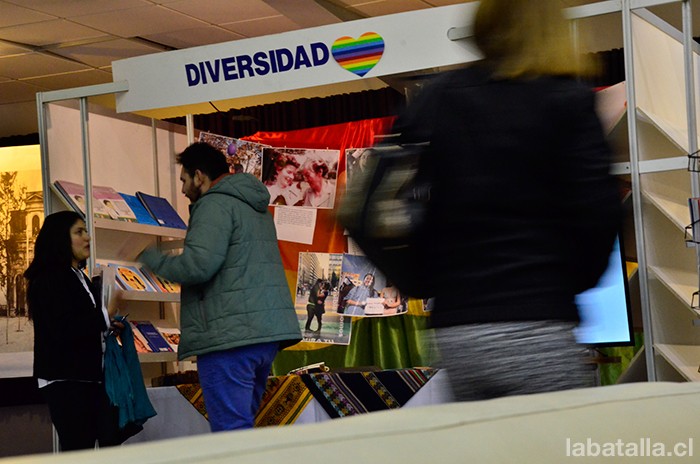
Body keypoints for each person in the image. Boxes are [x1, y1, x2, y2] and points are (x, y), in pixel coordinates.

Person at [394, 0, 621, 401]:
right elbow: (597, 213)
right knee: (559, 436)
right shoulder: (567, 99)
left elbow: (384, 201)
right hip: (539, 318)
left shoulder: (437, 97)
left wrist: (420, 278)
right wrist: (570, 281)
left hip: (457, 329)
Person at [138, 142, 301, 432]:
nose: (183, 189)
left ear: (199, 176)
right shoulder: (253, 205)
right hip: (263, 335)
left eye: (184, 180)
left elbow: (198, 265)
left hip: (229, 337)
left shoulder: (214, 204)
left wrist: (152, 259)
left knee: (230, 432)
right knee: (241, 428)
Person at [24, 211, 126, 451]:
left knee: (108, 444)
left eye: (86, 231)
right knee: (79, 450)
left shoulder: (78, 275)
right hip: (66, 380)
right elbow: (63, 328)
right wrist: (105, 315)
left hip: (89, 378)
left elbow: (82, 322)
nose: (87, 238)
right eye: (79, 232)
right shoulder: (48, 278)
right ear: (61, 238)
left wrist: (109, 325)